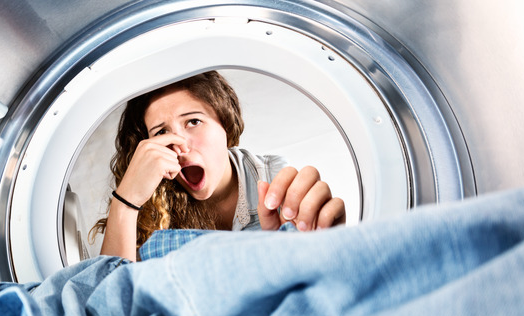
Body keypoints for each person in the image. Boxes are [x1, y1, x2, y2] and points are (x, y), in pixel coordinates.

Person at [91, 71, 346, 261]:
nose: (179, 145)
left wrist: (327, 244)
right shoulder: (150, 204)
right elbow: (112, 302)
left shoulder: (273, 180)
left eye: (192, 121)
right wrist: (126, 202)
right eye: (161, 133)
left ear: (225, 124)